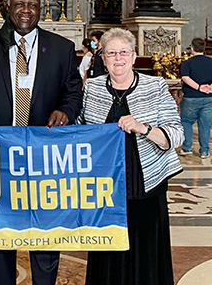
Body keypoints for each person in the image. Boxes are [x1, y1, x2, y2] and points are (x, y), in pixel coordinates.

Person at [0, 0, 83, 285]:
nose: (25, 10)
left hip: (45, 154)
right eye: (19, 4)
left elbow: (73, 92)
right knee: (1, 232)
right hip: (1, 154)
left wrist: (66, 111)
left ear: (41, 9)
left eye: (32, 4)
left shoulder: (61, 48)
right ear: (8, 7)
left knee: (45, 231)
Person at [78, 28, 183, 285]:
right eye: (111, 53)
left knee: (145, 252)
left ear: (134, 57)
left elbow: (177, 135)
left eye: (124, 52)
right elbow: (78, 129)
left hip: (146, 184)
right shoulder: (91, 88)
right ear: (102, 58)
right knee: (107, 252)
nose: (118, 58)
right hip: (104, 189)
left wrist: (143, 128)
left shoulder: (155, 86)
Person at [179, 37, 212, 158]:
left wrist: (198, 87)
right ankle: (204, 151)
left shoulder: (187, 63)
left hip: (191, 97)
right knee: (205, 123)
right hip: (209, 97)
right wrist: (211, 87)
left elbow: (185, 78)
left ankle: (187, 147)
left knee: (186, 122)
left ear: (192, 48)